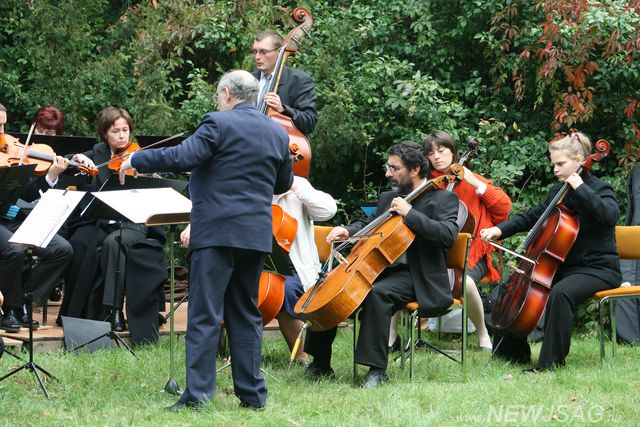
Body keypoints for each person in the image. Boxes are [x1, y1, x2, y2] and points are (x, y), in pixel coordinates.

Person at [119, 70, 292, 410]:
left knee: (205, 314)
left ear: (226, 93)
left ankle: (198, 396)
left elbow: (182, 157)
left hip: (216, 231)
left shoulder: (218, 123)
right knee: (246, 313)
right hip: (255, 234)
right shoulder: (276, 131)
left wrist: (136, 158)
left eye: (218, 95)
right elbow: (283, 183)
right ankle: (253, 396)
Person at [303, 141, 459, 388]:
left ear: (415, 169)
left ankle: (377, 371)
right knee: (331, 288)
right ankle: (320, 363)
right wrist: (348, 230)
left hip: (417, 275)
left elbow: (447, 236)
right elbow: (371, 223)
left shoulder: (443, 199)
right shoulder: (389, 198)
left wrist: (410, 213)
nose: (388, 173)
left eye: (394, 168)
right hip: (380, 268)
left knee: (378, 293)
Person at [479, 131, 621, 371]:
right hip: (563, 267)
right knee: (508, 290)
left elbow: (609, 216)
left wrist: (581, 188)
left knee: (561, 293)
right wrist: (499, 230)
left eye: (560, 164)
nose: (555, 169)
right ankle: (513, 355)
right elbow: (532, 217)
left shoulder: (600, 188)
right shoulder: (558, 191)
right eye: (553, 164)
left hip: (597, 268)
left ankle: (550, 363)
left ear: (579, 160)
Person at [60, 107, 165, 334]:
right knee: (80, 242)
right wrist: (77, 158)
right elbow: (67, 162)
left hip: (134, 221)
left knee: (113, 244)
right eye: (115, 131)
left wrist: (148, 177)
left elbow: (159, 184)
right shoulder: (99, 152)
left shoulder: (140, 155)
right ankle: (79, 310)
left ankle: (114, 309)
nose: (122, 136)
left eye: (125, 130)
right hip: (104, 219)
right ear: (105, 133)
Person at [422, 130, 512, 350]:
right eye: (431, 153)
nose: (436, 156)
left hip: (473, 251)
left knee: (466, 283)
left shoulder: (471, 180)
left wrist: (473, 181)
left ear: (453, 152)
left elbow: (504, 208)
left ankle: (482, 333)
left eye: (441, 150)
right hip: (436, 251)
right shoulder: (429, 184)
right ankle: (391, 338)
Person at [0, 102, 73, 332]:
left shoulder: (9, 152)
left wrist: (51, 175)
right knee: (14, 250)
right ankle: (8, 308)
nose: (2, 133)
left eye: (3, 126)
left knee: (61, 249)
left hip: (13, 219)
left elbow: (26, 193)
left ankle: (25, 300)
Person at [252, 29, 317, 135]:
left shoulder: (299, 80)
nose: (257, 57)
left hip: (280, 144)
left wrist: (282, 109)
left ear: (278, 52)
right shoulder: (247, 79)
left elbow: (309, 122)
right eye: (255, 51)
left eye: (264, 52)